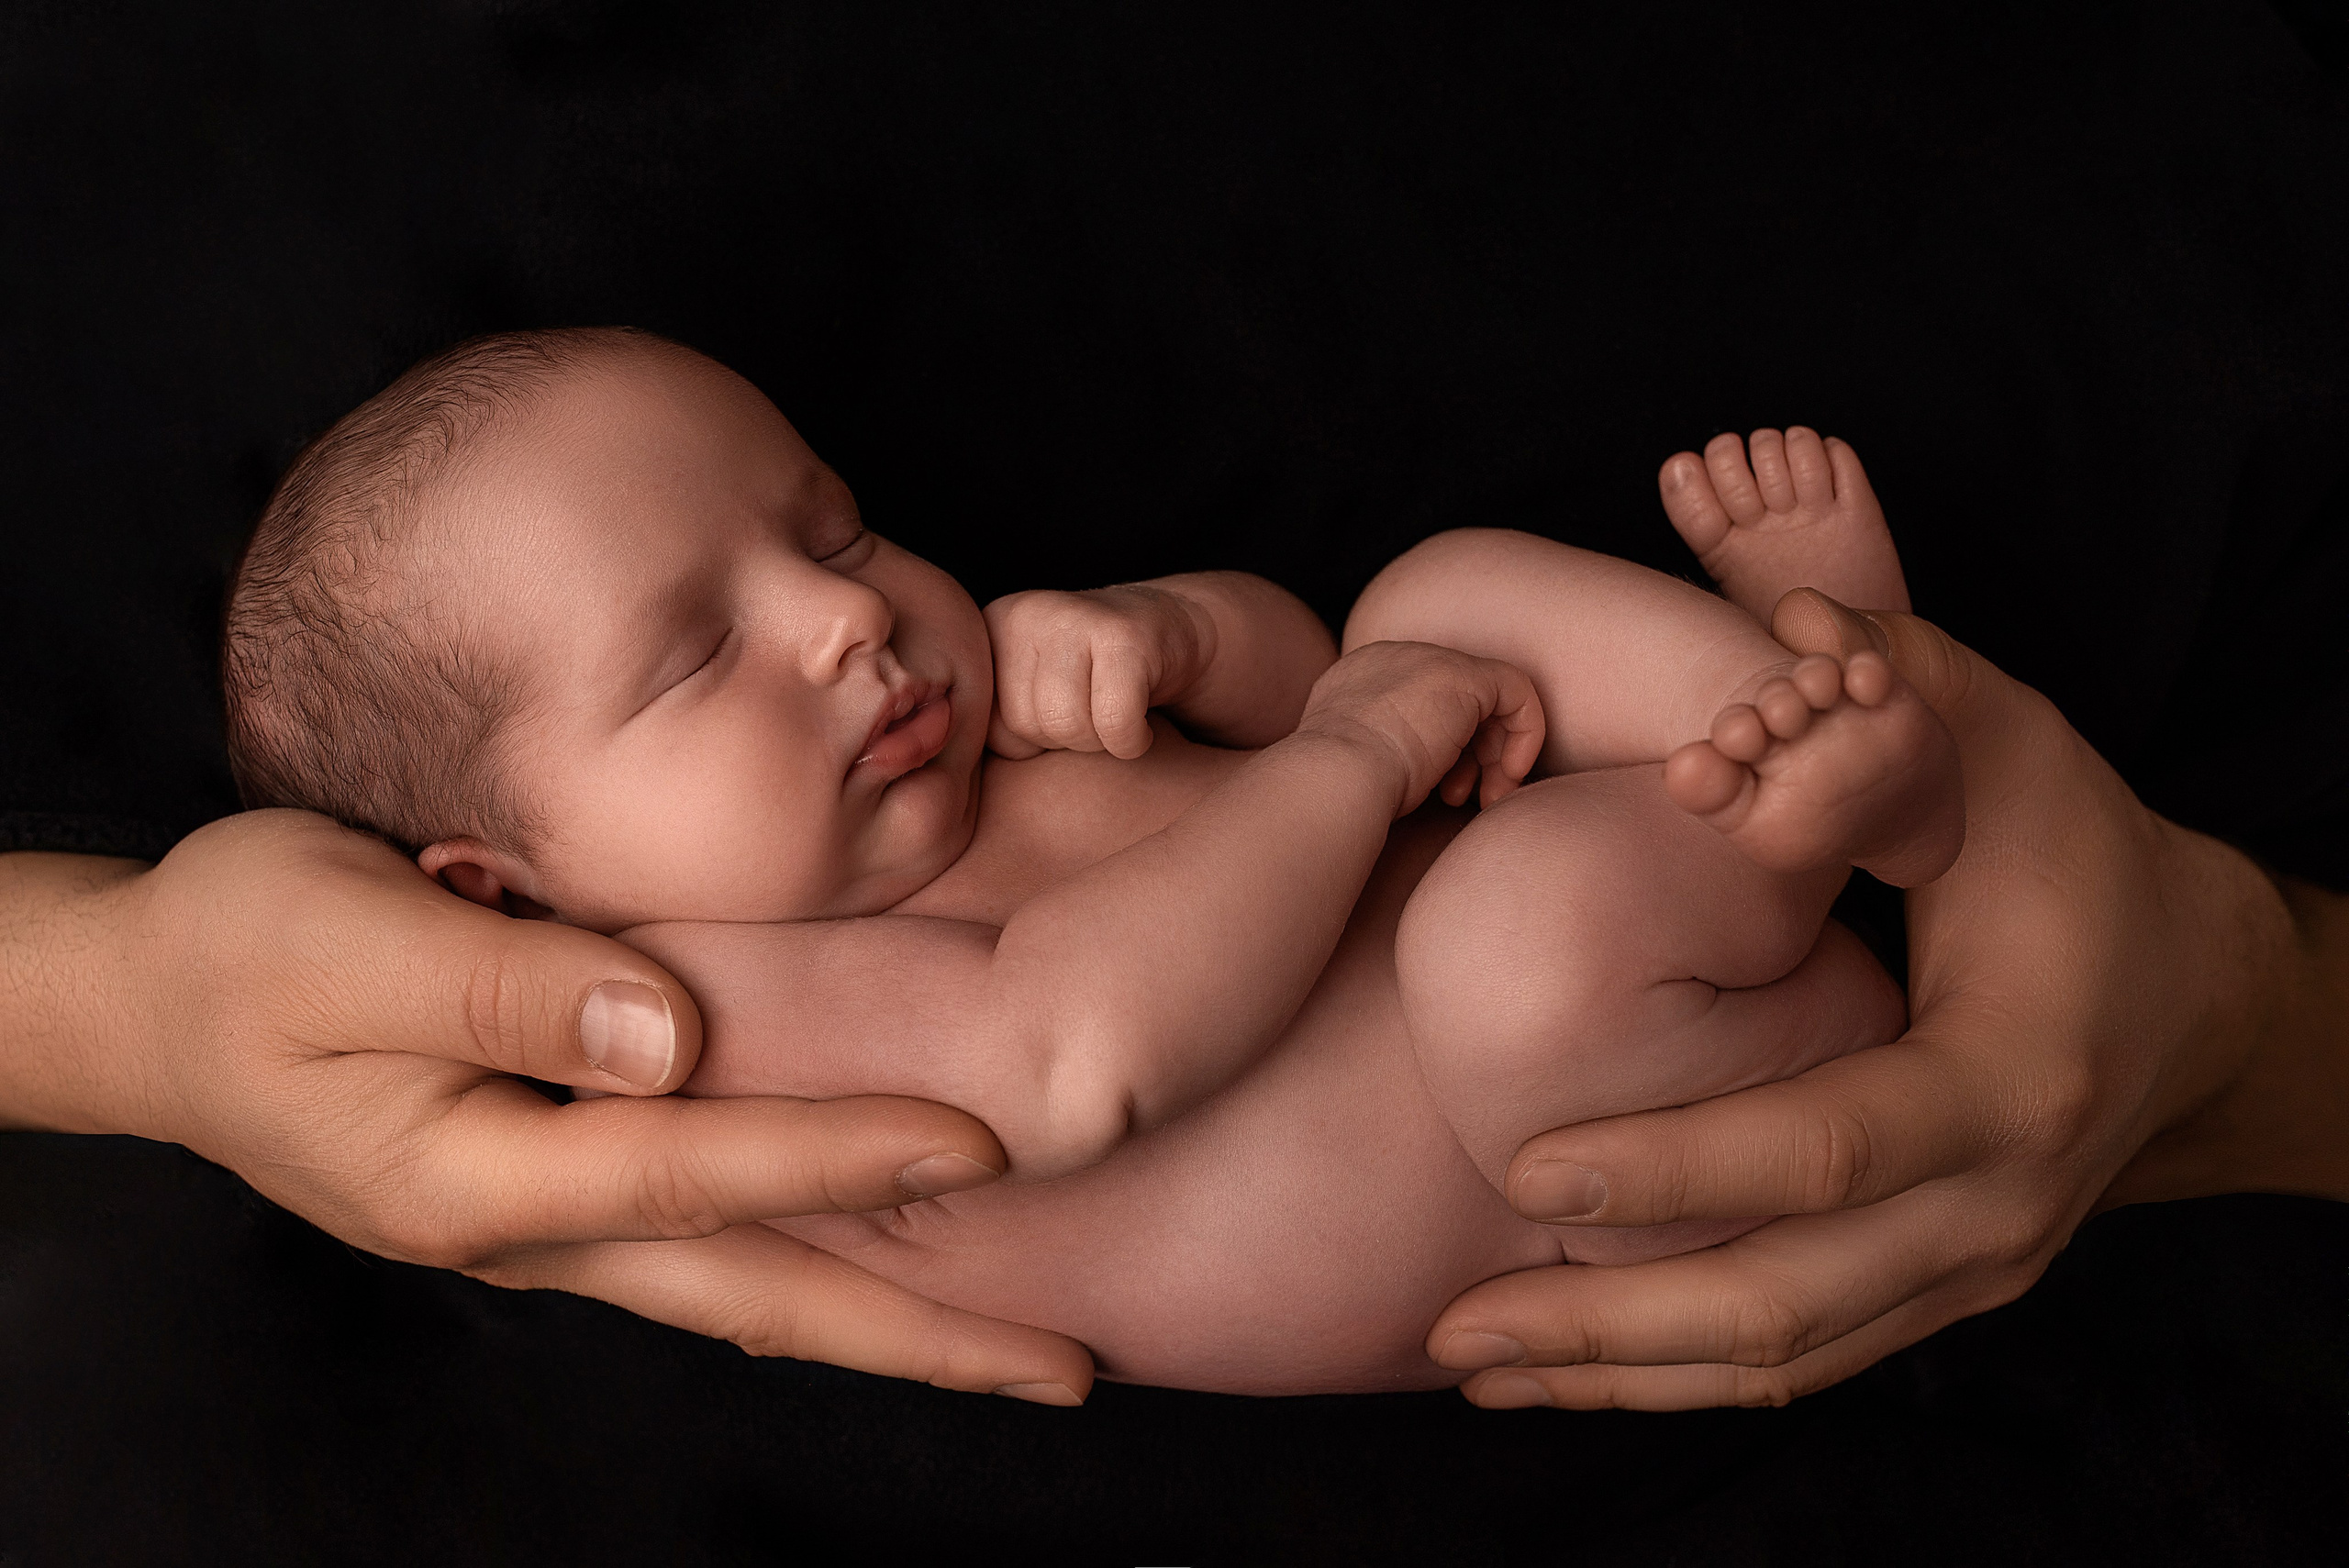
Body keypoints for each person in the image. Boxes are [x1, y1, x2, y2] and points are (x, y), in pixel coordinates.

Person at [207, 325, 1965, 1393]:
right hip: (1629, 1174)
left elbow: (1301, 689)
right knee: (1505, 942)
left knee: (1426, 600)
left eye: (837, 531)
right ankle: (1802, 804)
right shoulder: (700, 1011)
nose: (842, 618)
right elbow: (1076, 1053)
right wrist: (1358, 753)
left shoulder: (974, 716)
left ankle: (1822, 694)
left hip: (1609, 911)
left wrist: (1189, 640)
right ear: (503, 887)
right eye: (691, 657)